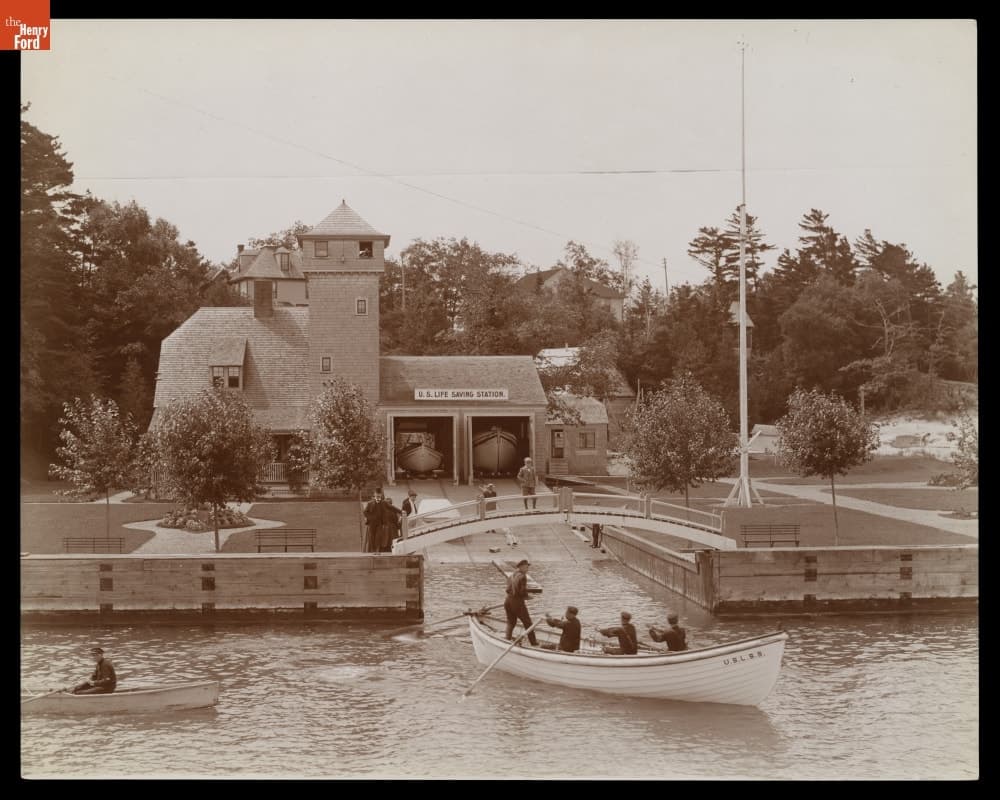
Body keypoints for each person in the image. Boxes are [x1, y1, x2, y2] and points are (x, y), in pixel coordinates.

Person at [504, 559, 538, 646]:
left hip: (507, 601)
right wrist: (527, 597)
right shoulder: (523, 576)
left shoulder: (512, 575)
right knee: (528, 623)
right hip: (517, 603)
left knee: (511, 622)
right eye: (526, 567)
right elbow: (522, 591)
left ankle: (507, 639)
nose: (527, 569)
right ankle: (534, 643)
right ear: (521, 567)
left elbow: (508, 589)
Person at [362, 488, 385, 553]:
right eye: (377, 496)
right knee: (372, 536)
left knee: (378, 537)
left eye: (379, 496)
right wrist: (370, 518)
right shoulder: (370, 503)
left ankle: (377, 550)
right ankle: (373, 550)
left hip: (379, 523)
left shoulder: (383, 503)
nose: (378, 497)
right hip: (371, 523)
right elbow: (365, 512)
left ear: (381, 496)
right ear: (374, 496)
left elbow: (385, 512)